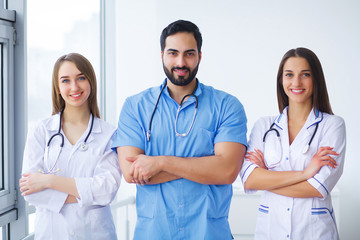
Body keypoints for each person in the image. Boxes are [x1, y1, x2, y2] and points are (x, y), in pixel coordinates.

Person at [112, 20, 247, 239]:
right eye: (173, 53)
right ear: (162, 55)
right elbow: (131, 172)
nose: (181, 62)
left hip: (209, 233)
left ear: (200, 56)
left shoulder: (226, 106)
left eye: (189, 54)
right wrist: (204, 167)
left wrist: (159, 162)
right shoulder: (136, 106)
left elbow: (226, 171)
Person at [240, 47, 346, 240]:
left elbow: (317, 187)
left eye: (305, 74)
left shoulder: (332, 125)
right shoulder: (264, 125)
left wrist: (267, 178)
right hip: (271, 230)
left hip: (314, 232)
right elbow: (249, 180)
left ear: (316, 79)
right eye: (289, 74)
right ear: (281, 80)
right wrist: (305, 174)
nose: (296, 82)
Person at [19, 53, 121, 240]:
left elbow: (106, 190)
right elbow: (30, 191)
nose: (74, 87)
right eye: (66, 80)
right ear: (58, 87)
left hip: (96, 234)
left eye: (81, 78)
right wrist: (87, 194)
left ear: (91, 81)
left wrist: (48, 181)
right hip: (51, 234)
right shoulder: (41, 131)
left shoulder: (109, 134)